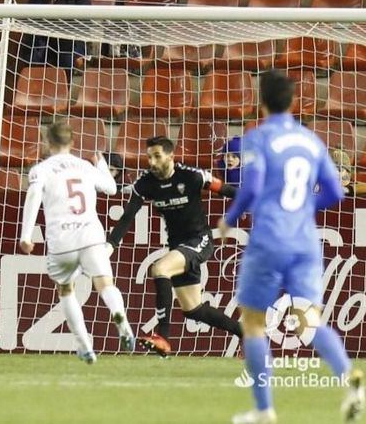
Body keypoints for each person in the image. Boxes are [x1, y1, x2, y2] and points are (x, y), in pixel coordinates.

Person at [219, 70, 364, 424]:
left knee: (253, 324)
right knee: (308, 321)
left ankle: (264, 410)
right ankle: (351, 380)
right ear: (292, 101)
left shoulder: (258, 138)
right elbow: (336, 192)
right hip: (305, 240)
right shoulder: (310, 140)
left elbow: (251, 189)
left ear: (262, 100)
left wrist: (228, 219)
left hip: (269, 238)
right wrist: (299, 208)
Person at [107, 136, 242, 357]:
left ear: (171, 156)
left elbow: (225, 189)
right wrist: (111, 244)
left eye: (157, 156)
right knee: (193, 310)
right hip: (178, 245)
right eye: (149, 156)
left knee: (160, 269)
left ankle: (163, 337)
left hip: (200, 240)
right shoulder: (145, 183)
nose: (152, 161)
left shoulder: (191, 176)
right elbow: (128, 215)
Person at [19, 122, 135, 363]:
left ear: (47, 143)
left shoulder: (41, 170)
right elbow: (112, 188)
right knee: (105, 284)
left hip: (62, 239)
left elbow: (33, 197)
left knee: (66, 290)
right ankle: (119, 316)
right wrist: (101, 163)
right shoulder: (85, 166)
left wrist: (26, 236)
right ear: (72, 143)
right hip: (91, 235)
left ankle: (85, 346)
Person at [21, 0, 90, 72]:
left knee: (67, 56)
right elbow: (33, 23)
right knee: (31, 56)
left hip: (68, 43)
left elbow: (84, 24)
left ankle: (65, 87)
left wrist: (79, 52)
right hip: (43, 41)